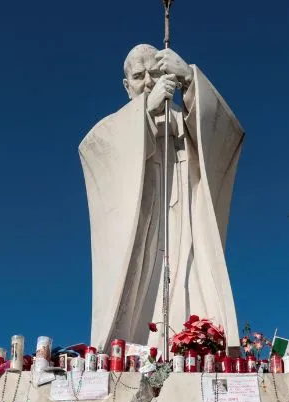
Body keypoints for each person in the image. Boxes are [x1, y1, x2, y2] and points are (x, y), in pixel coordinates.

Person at [81, 44, 244, 348]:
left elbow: (227, 135)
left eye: (154, 73)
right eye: (139, 76)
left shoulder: (187, 121)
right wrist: (145, 112)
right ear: (127, 85)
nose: (147, 82)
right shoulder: (112, 132)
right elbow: (93, 151)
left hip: (186, 221)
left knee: (191, 281)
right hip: (143, 226)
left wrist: (191, 80)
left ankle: (194, 345)